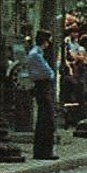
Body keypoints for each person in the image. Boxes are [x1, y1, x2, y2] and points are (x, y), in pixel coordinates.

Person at [25, 29, 59, 160]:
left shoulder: (38, 53)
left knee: (46, 118)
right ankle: (43, 151)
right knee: (46, 119)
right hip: (41, 86)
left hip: (42, 86)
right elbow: (48, 73)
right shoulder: (35, 55)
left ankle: (45, 150)